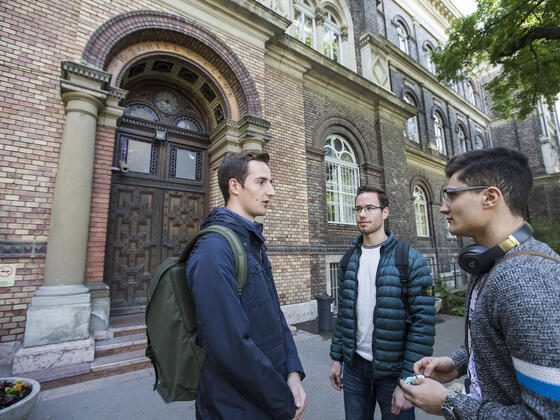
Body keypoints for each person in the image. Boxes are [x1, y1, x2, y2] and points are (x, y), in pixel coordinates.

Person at [399, 148, 560, 419]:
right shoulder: (489, 263)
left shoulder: (525, 279)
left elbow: (546, 415)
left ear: (490, 197)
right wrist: (457, 363)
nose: (443, 207)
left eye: (451, 195)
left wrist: (449, 403)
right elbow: (503, 344)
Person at [186, 151, 307, 420]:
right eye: (261, 182)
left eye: (271, 182)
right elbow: (229, 346)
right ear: (235, 186)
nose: (272, 191)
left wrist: (292, 373)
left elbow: (275, 316)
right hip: (235, 407)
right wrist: (282, 401)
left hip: (267, 397)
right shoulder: (213, 250)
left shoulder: (251, 242)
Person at [329, 185, 436, 419]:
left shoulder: (409, 259)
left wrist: (408, 381)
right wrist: (337, 358)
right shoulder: (348, 260)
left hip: (395, 372)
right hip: (355, 367)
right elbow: (345, 314)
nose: (362, 214)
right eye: (358, 209)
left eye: (369, 208)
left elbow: (423, 326)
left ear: (385, 212)